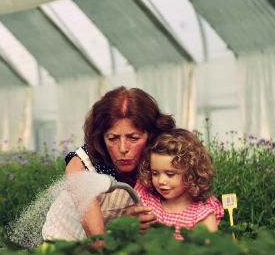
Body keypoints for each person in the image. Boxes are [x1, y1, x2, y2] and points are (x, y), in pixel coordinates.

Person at [42, 86, 176, 244]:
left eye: (133, 138)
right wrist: (126, 227)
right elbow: (98, 242)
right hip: (65, 243)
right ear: (101, 137)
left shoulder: (161, 160)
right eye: (113, 138)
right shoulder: (82, 165)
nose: (123, 149)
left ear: (151, 135)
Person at [135, 128, 224, 240]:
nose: (161, 181)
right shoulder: (147, 202)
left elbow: (209, 252)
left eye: (170, 174)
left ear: (191, 173)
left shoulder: (200, 216)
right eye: (155, 173)